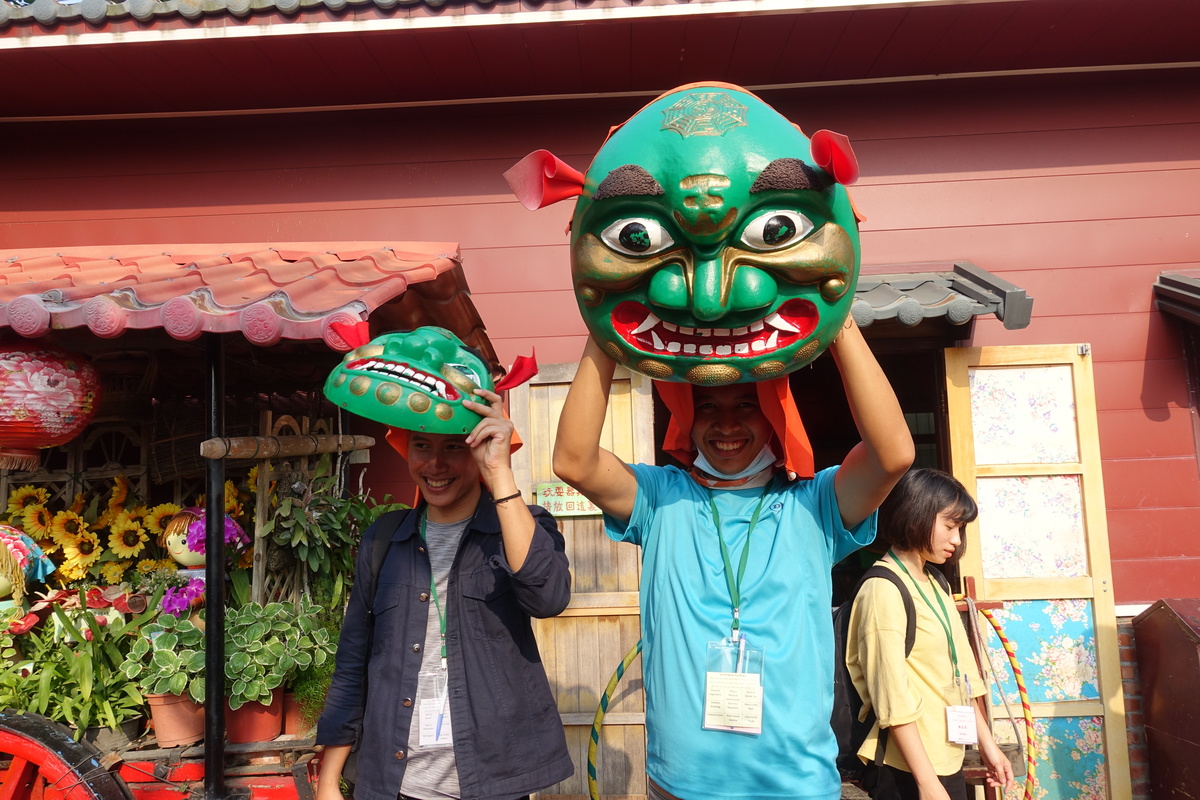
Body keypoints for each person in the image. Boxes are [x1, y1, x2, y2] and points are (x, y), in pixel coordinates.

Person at [553, 316, 915, 800]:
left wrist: (840, 324)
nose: (725, 424)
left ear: (773, 413)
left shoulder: (816, 503)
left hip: (796, 786)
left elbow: (892, 455)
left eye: (746, 403)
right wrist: (603, 332)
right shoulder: (661, 498)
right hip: (680, 785)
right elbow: (573, 461)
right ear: (687, 417)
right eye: (707, 407)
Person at [315, 386, 574, 800]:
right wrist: (329, 780)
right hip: (394, 782)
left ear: (477, 449)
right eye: (421, 445)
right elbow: (353, 662)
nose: (435, 464)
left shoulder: (521, 527)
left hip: (491, 784)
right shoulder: (384, 540)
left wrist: (500, 473)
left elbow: (549, 597)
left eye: (454, 446)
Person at [844, 468, 1016, 800]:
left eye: (961, 529)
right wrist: (927, 783)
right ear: (914, 517)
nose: (957, 539)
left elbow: (962, 674)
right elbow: (891, 698)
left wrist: (990, 747)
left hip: (945, 757)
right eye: (950, 526)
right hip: (907, 769)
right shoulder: (883, 589)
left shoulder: (935, 581)